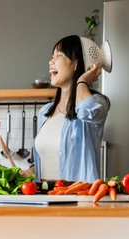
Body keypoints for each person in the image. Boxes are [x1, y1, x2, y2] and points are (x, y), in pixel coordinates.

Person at [22, 35, 110, 183]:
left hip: (78, 198)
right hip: (44, 196)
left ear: (76, 64)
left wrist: (82, 80)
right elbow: (47, 160)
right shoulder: (45, 112)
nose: (51, 61)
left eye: (59, 56)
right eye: (52, 57)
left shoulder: (97, 103)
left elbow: (85, 110)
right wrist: (28, 172)